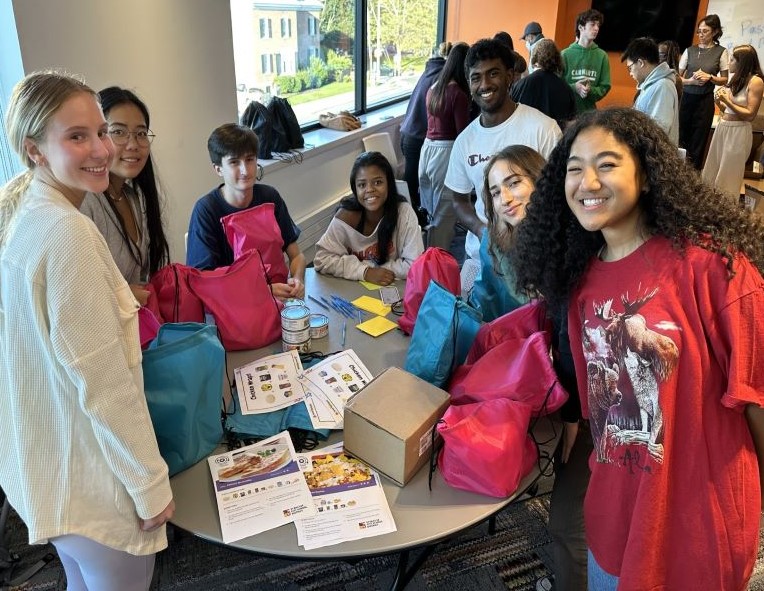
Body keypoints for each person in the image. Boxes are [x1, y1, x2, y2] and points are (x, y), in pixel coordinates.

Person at [511, 107, 764, 590]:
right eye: (573, 168)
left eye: (607, 164)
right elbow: (599, 416)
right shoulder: (580, 289)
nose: (588, 181)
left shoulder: (713, 269)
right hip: (615, 521)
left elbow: (758, 401)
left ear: (646, 176)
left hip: (698, 531)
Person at [0, 71, 174, 591]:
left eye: (102, 131)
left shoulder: (26, 211)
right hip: (92, 477)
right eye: (77, 137)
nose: (103, 149)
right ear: (34, 148)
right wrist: (150, 485)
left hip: (47, 465)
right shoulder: (68, 234)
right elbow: (104, 382)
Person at [443, 38, 561, 294]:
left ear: (509, 76)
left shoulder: (543, 128)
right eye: (476, 77)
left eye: (493, 74)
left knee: (529, 330)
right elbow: (458, 200)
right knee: (471, 325)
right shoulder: (465, 141)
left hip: (534, 259)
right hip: (480, 257)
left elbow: (558, 195)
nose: (484, 84)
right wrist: (481, 230)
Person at [186, 123, 306, 300]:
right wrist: (263, 290)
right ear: (218, 169)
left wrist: (297, 279)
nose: (244, 170)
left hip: (281, 300)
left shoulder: (270, 197)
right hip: (234, 306)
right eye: (234, 162)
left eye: (249, 159)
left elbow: (296, 255)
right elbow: (202, 282)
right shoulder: (206, 210)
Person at [80, 87, 170, 305]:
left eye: (141, 133)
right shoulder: (86, 204)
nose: (133, 144)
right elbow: (78, 296)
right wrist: (123, 295)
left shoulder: (132, 198)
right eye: (118, 132)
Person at [314, 151, 424, 286]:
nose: (369, 190)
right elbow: (321, 259)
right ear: (355, 189)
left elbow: (415, 265)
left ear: (389, 184)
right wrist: (365, 272)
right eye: (362, 185)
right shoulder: (345, 216)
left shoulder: (403, 212)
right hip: (351, 287)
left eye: (377, 182)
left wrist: (375, 270)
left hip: (393, 287)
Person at [418, 41, 470, 251]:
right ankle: (437, 263)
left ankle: (425, 256)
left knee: (428, 210)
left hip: (427, 149)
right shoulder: (458, 94)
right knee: (443, 213)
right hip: (446, 152)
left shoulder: (433, 88)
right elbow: (462, 134)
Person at [703, 44, 764, 200]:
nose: (728, 63)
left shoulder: (756, 81)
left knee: (728, 175)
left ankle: (724, 213)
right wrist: (719, 102)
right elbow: (727, 110)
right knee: (712, 170)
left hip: (738, 131)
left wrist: (726, 101)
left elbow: (750, 114)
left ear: (741, 62)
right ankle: (707, 208)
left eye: (732, 59)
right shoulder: (736, 79)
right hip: (723, 127)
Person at [398, 42, 450, 208]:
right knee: (412, 189)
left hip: (409, 132)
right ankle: (413, 225)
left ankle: (416, 220)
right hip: (417, 137)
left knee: (414, 185)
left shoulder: (429, 71)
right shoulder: (441, 78)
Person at [678, 14, 729, 169]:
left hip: (705, 101)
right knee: (681, 138)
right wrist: (691, 81)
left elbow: (725, 79)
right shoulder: (689, 51)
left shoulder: (721, 52)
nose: (700, 35)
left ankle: (693, 177)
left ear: (714, 32)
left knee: (698, 141)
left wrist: (710, 77)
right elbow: (677, 78)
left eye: (705, 31)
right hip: (686, 99)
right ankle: (677, 173)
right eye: (699, 31)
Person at [621, 38, 679, 144]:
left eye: (630, 68)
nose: (630, 73)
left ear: (640, 63)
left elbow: (659, 131)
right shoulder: (652, 85)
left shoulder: (662, 86)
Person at [511, 38, 577, 130]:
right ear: (557, 60)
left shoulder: (521, 85)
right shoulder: (567, 89)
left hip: (524, 141)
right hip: (555, 141)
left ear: (535, 58)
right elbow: (570, 124)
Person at [561, 9, 611, 113]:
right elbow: (556, 84)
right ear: (580, 27)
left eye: (598, 25)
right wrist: (574, 87)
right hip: (566, 112)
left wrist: (591, 91)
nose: (596, 28)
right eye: (592, 24)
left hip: (589, 114)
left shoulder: (602, 56)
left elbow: (605, 86)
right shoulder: (565, 54)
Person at [658, 39, 683, 104]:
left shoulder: (675, 79)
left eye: (662, 55)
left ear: (671, 57)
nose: (657, 58)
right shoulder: (655, 73)